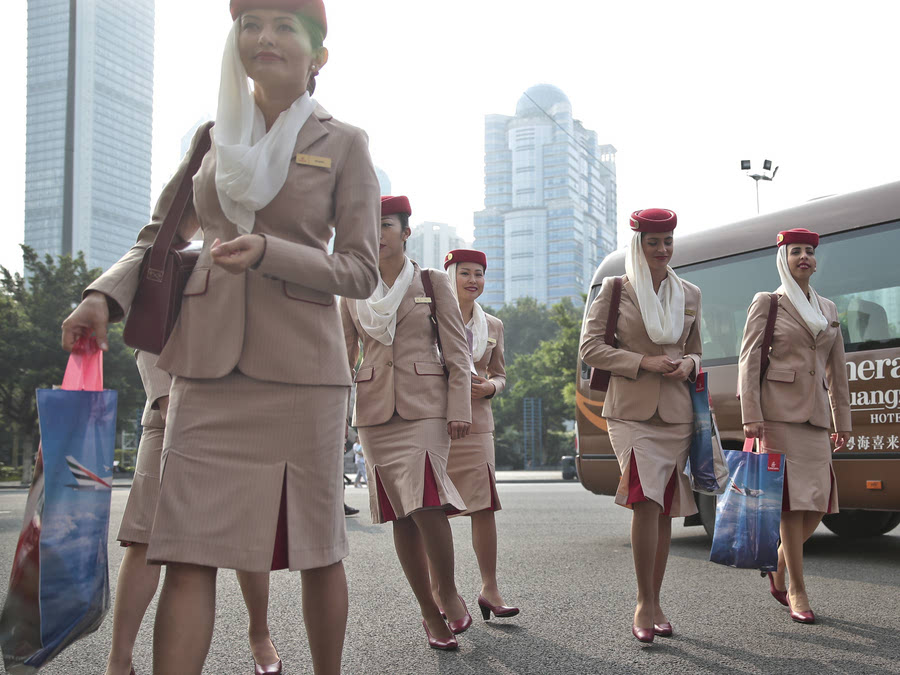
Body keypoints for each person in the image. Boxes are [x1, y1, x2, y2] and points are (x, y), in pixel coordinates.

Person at [61, 2, 380, 672]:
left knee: (319, 552)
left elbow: (360, 269)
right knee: (187, 550)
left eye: (284, 25)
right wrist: (101, 296)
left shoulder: (344, 142)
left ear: (318, 55)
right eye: (251, 23)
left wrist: (270, 250)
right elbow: (161, 236)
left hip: (302, 375)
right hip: (204, 373)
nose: (264, 36)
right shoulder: (212, 139)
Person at [340, 195, 473, 651]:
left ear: (405, 232)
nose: (377, 233)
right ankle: (427, 609)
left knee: (428, 504)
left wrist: (460, 407)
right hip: (375, 413)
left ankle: (447, 589)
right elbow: (343, 358)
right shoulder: (351, 289)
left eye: (387, 225)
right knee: (400, 513)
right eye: (369, 225)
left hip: (426, 408)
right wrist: (338, 419)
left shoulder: (433, 283)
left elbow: (457, 353)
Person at [107, 354, 282, 675]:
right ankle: (119, 661)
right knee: (143, 534)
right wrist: (163, 396)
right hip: (169, 406)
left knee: (247, 532)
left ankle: (260, 633)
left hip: (245, 408)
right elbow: (146, 320)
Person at [579, 208, 702, 644]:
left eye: (668, 241)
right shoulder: (616, 290)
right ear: (638, 244)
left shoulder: (690, 293)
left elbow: (697, 351)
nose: (662, 250)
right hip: (630, 411)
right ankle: (644, 601)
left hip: (676, 412)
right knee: (645, 499)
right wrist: (641, 362)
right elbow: (591, 348)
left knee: (664, 505)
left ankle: (656, 598)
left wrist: (687, 363)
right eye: (653, 242)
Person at [738, 227, 851, 625]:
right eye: (796, 251)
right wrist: (751, 415)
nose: (804, 257)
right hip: (778, 414)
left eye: (809, 252)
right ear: (783, 258)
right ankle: (797, 588)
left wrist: (843, 420)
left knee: (819, 502)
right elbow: (749, 360)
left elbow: (837, 370)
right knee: (791, 502)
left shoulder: (829, 308)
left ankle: (778, 560)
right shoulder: (768, 302)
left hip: (817, 416)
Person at [431, 249, 518, 621]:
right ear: (448, 276)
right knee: (431, 511)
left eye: (479, 274)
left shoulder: (494, 325)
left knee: (484, 507)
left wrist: (491, 389)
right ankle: (440, 594)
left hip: (479, 422)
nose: (473, 280)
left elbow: (499, 374)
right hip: (435, 421)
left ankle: (490, 589)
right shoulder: (428, 316)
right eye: (464, 272)